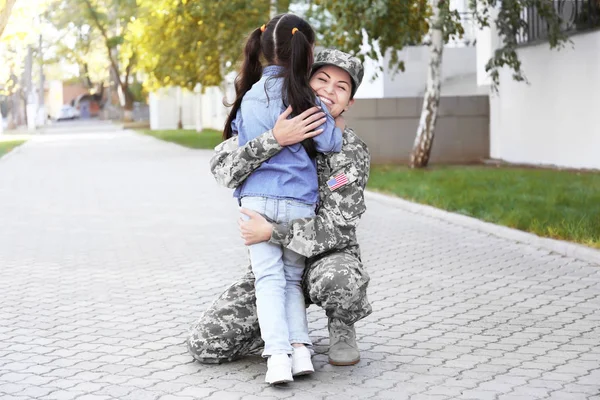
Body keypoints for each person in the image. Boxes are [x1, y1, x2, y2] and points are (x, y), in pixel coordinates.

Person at [187, 48, 371, 373]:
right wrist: (275, 139)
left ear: (349, 102)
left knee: (340, 281)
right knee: (208, 343)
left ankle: (341, 323)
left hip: (325, 256)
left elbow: (338, 228)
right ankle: (277, 331)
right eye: (322, 79)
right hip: (274, 260)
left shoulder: (350, 150)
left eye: (341, 87)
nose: (329, 90)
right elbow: (223, 171)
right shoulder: (270, 120)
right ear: (302, 81)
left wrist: (273, 231)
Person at [223, 13, 343, 385]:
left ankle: (277, 358)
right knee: (292, 279)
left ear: (262, 49)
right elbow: (330, 143)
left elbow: (240, 144)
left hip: (256, 202)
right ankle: (302, 351)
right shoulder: (305, 96)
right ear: (306, 53)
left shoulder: (249, 96)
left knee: (268, 280)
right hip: (298, 203)